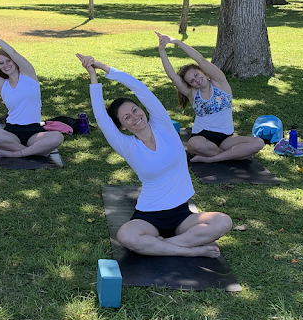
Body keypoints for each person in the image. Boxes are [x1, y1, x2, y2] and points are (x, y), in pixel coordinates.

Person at [78, 53, 232, 257]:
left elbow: (139, 87)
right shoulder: (126, 145)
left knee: (223, 222)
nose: (135, 117)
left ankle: (164, 246)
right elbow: (100, 115)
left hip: (181, 214)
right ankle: (188, 251)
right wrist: (92, 77)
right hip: (148, 216)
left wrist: (103, 67)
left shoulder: (163, 124)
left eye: (135, 110)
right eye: (127, 118)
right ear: (122, 127)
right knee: (126, 236)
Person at [156, 32, 263, 163]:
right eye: (192, 81)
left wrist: (177, 42)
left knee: (258, 143)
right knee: (193, 144)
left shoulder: (221, 83)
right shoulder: (193, 93)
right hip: (202, 138)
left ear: (201, 70)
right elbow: (172, 76)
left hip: (226, 139)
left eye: (196, 75)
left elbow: (200, 60)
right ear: (190, 85)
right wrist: (162, 49)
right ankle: (233, 155)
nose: (197, 80)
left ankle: (213, 158)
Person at [0, 23, 64, 159]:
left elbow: (13, 52)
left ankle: (17, 153)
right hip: (12, 132)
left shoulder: (29, 74)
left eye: (8, 61)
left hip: (34, 132)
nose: (6, 65)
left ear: (15, 62)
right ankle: (33, 152)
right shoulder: (2, 85)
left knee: (57, 136)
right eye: (1, 63)